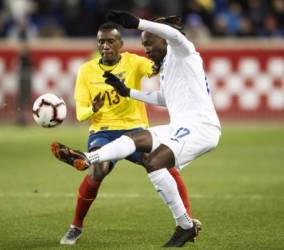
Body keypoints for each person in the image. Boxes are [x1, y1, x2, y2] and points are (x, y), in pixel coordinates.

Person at [53, 22, 196, 245]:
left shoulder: (133, 62)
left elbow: (157, 67)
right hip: (103, 131)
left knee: (163, 163)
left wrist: (171, 47)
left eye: (111, 41)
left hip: (135, 129)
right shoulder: (86, 70)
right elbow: (81, 113)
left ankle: (187, 221)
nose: (105, 45)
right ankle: (75, 227)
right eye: (101, 41)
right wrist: (94, 108)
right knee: (98, 171)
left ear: (121, 44)